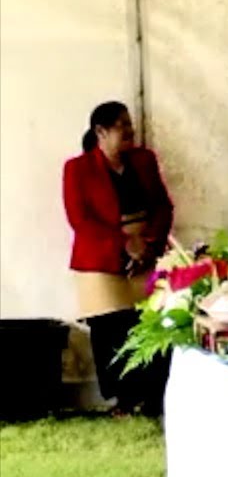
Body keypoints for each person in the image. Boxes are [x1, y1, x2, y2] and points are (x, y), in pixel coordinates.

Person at [62, 101, 174, 415]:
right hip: (100, 257)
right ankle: (123, 400)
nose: (129, 130)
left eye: (129, 123)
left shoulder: (144, 160)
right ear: (100, 131)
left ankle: (154, 396)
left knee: (150, 322)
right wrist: (125, 244)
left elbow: (164, 206)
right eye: (121, 124)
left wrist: (149, 242)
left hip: (146, 249)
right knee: (110, 328)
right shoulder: (77, 168)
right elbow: (79, 220)